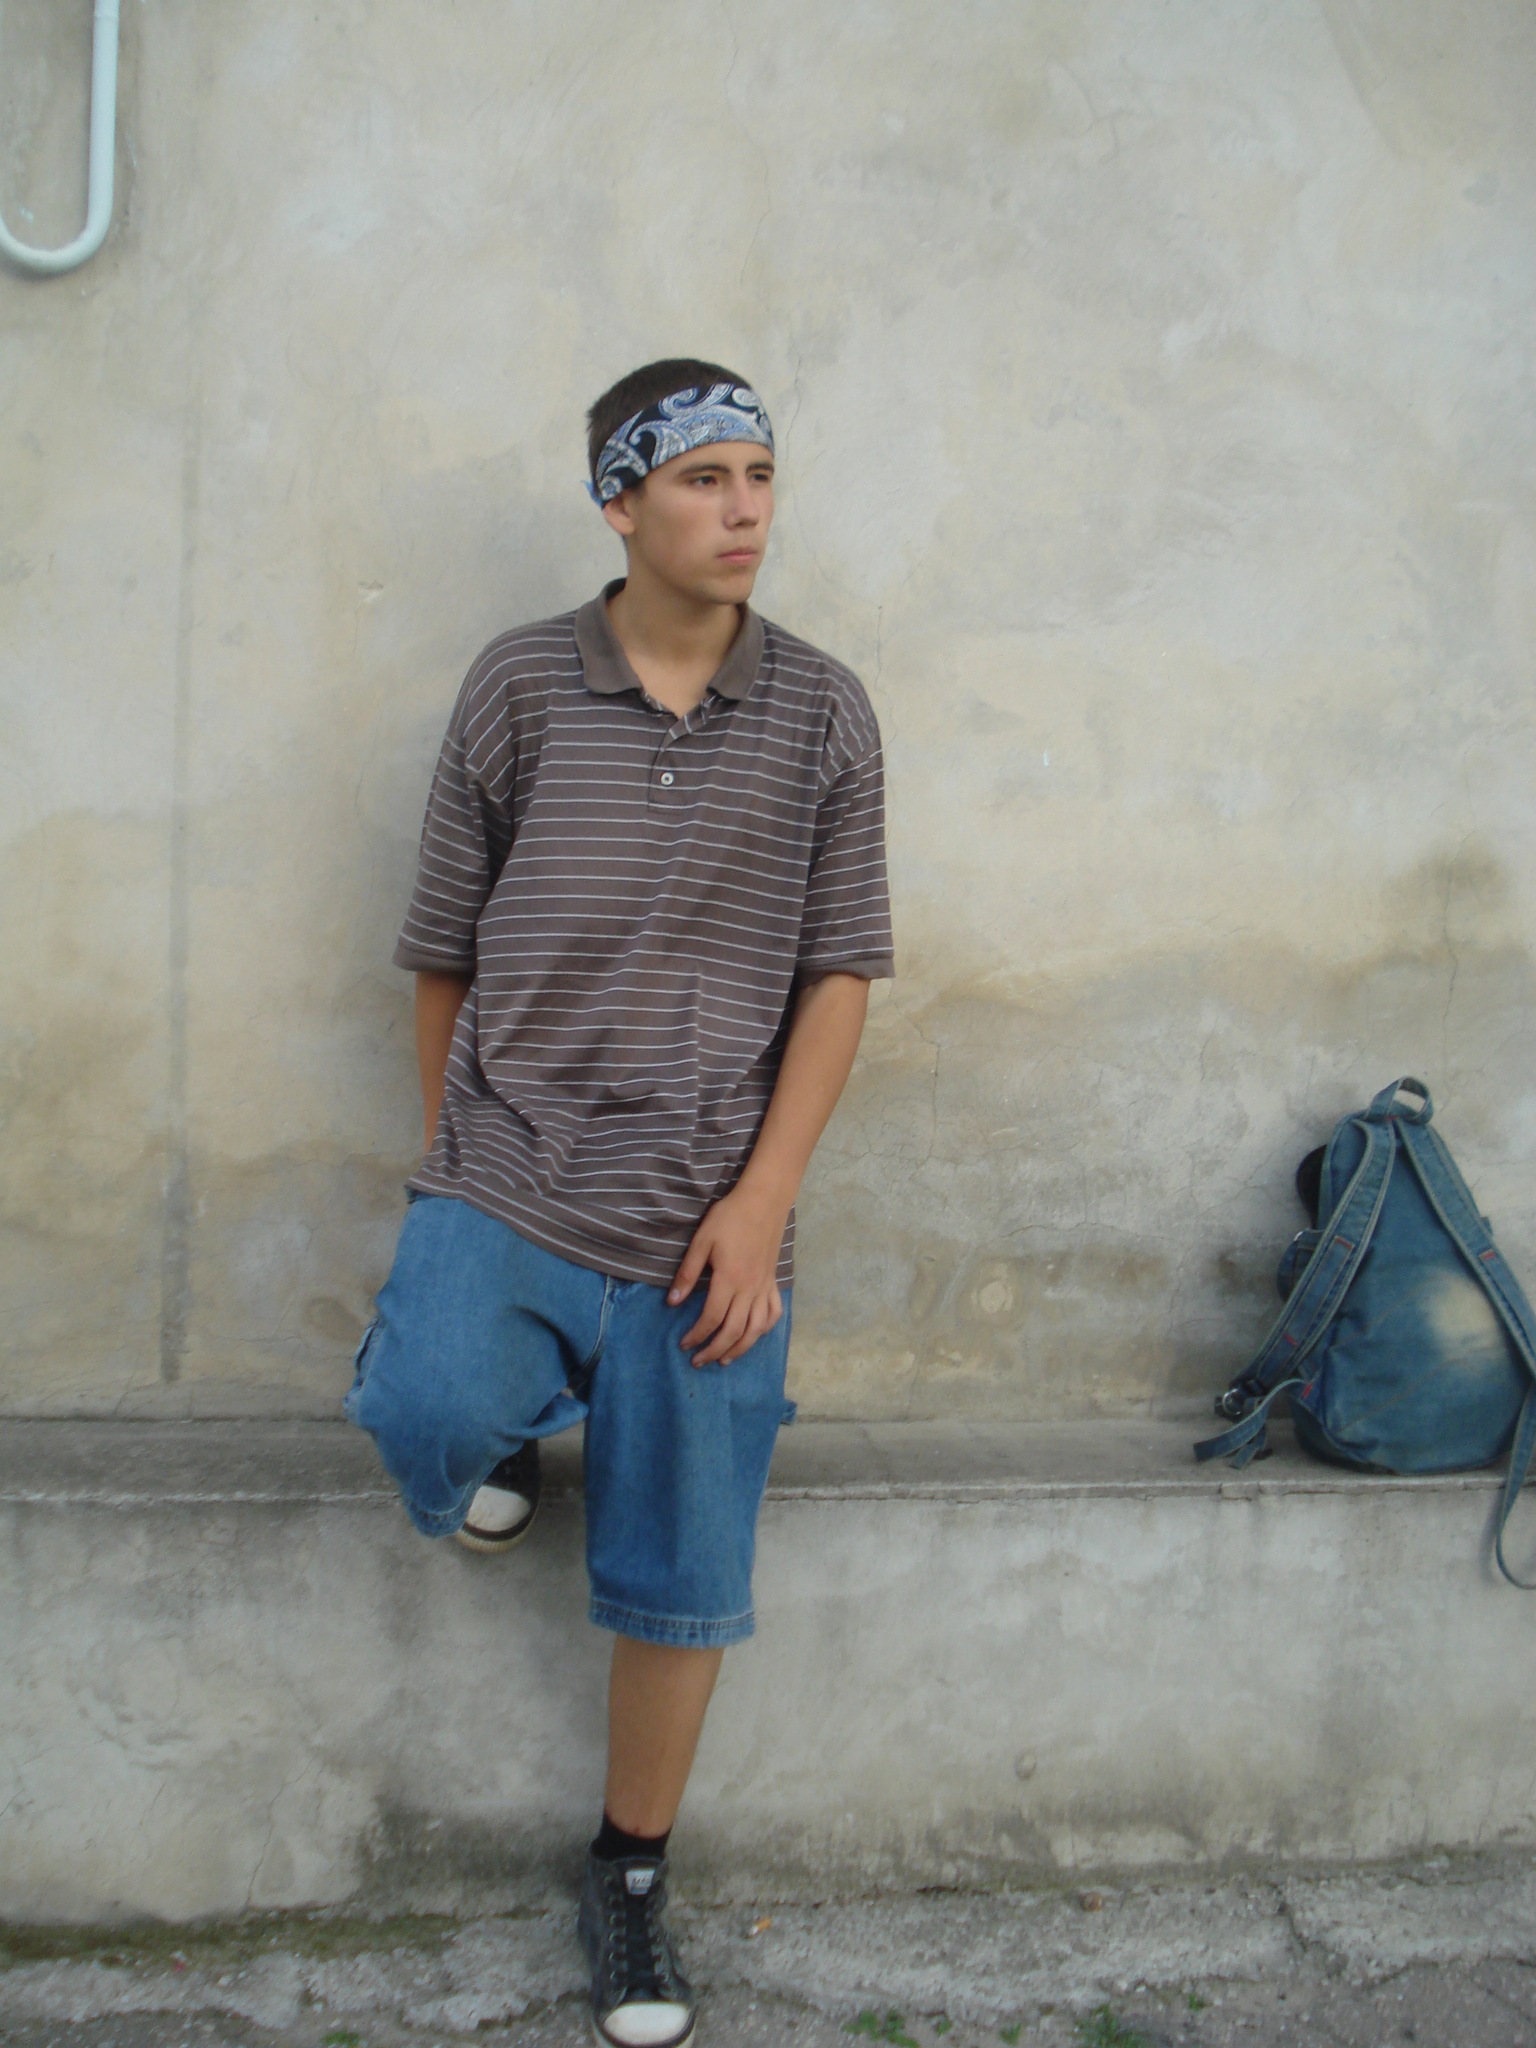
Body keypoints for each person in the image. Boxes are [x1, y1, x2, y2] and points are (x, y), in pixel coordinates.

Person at [345, 358, 894, 2047]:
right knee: (422, 1405)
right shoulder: (520, 684)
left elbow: (841, 973)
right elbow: (442, 950)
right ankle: (515, 1421)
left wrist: (764, 1199)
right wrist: (456, 1169)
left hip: (710, 1207)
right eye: (706, 478)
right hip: (511, 1163)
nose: (745, 510)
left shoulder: (824, 712)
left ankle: (631, 1877)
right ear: (621, 504)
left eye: (761, 475)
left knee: (682, 1563)